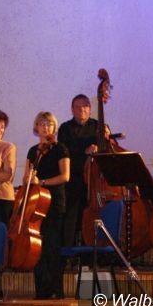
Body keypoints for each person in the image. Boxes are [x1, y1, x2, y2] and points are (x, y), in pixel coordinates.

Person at [24, 112, 69, 299]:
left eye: (49, 124)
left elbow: (65, 176)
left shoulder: (60, 149)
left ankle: (56, 290)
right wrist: (29, 179)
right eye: (42, 124)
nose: (45, 127)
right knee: (38, 247)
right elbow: (26, 177)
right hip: (36, 203)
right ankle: (41, 290)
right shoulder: (33, 151)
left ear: (54, 128)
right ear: (36, 127)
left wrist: (41, 182)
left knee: (52, 245)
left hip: (54, 201)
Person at [57, 94, 98, 247]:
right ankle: (67, 252)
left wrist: (105, 141)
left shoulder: (98, 126)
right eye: (77, 107)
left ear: (90, 108)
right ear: (72, 110)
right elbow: (64, 152)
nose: (81, 110)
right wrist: (84, 151)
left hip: (94, 182)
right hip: (73, 180)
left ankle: (92, 252)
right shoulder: (65, 128)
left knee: (93, 218)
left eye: (85, 106)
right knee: (70, 219)